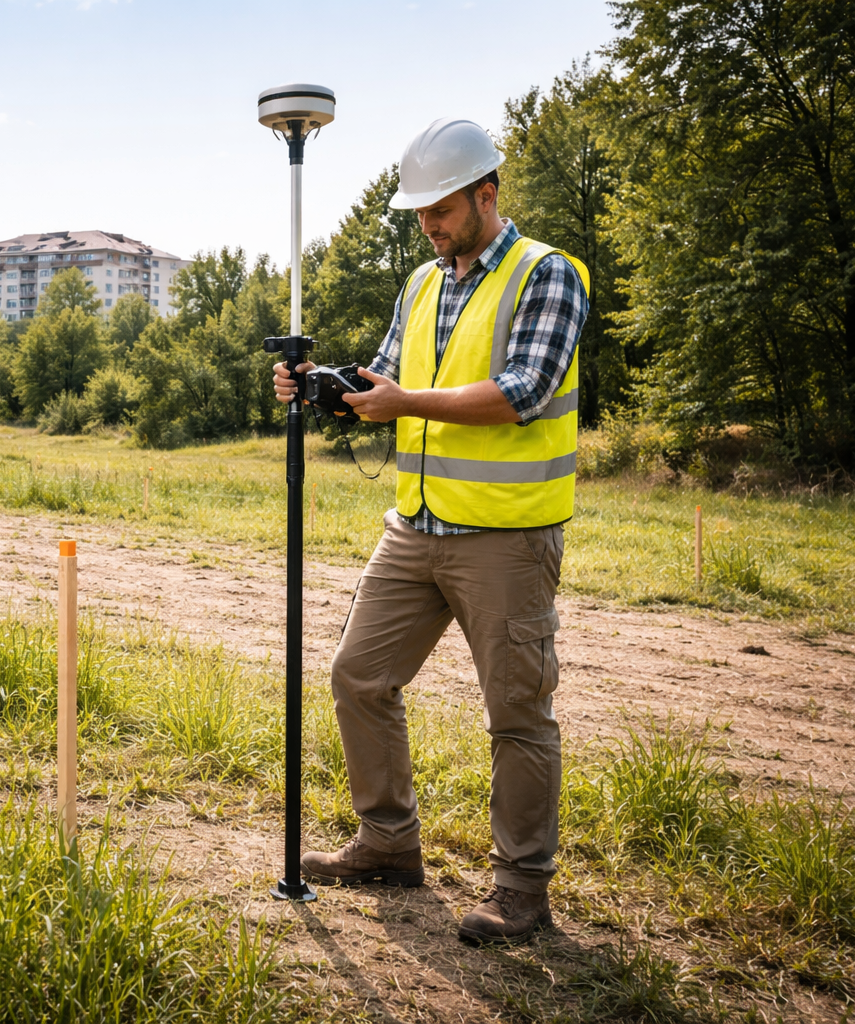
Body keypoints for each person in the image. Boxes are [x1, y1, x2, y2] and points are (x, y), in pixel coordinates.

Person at [272, 118, 589, 944]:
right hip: (415, 526)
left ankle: (522, 893)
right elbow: (387, 378)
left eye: (441, 210)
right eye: (420, 215)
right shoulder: (421, 283)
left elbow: (520, 391)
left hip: (506, 536)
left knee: (517, 714)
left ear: (487, 194)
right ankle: (387, 842)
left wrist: (403, 401)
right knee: (358, 676)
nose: (431, 227)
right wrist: (319, 387)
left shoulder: (546, 274)